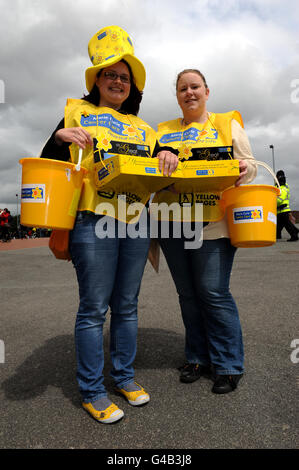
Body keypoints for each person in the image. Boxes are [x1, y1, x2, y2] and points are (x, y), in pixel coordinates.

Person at [40, 26, 157, 423]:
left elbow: (163, 166)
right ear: (97, 80)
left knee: (126, 306)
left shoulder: (144, 128)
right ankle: (92, 390)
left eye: (124, 77)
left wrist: (170, 156)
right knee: (93, 309)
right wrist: (58, 137)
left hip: (136, 221)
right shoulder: (78, 112)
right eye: (111, 74)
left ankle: (124, 376)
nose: (118, 81)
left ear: (132, 86)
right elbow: (50, 161)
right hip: (93, 220)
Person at [154, 69, 257, 394]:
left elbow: (250, 164)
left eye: (195, 86)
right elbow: (150, 169)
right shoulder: (164, 131)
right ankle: (197, 357)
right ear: (178, 96)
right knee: (188, 295)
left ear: (207, 91)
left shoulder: (227, 124)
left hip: (213, 223)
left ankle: (227, 364)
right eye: (183, 88)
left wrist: (244, 169)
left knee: (213, 293)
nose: (189, 92)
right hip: (171, 221)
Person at [276, 170, 298, 242]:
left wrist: (273, 199)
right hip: (281, 210)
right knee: (280, 224)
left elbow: (279, 199)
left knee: (287, 224)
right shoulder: (283, 186)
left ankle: (294, 235)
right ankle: (278, 235)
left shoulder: (282, 187)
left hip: (283, 209)